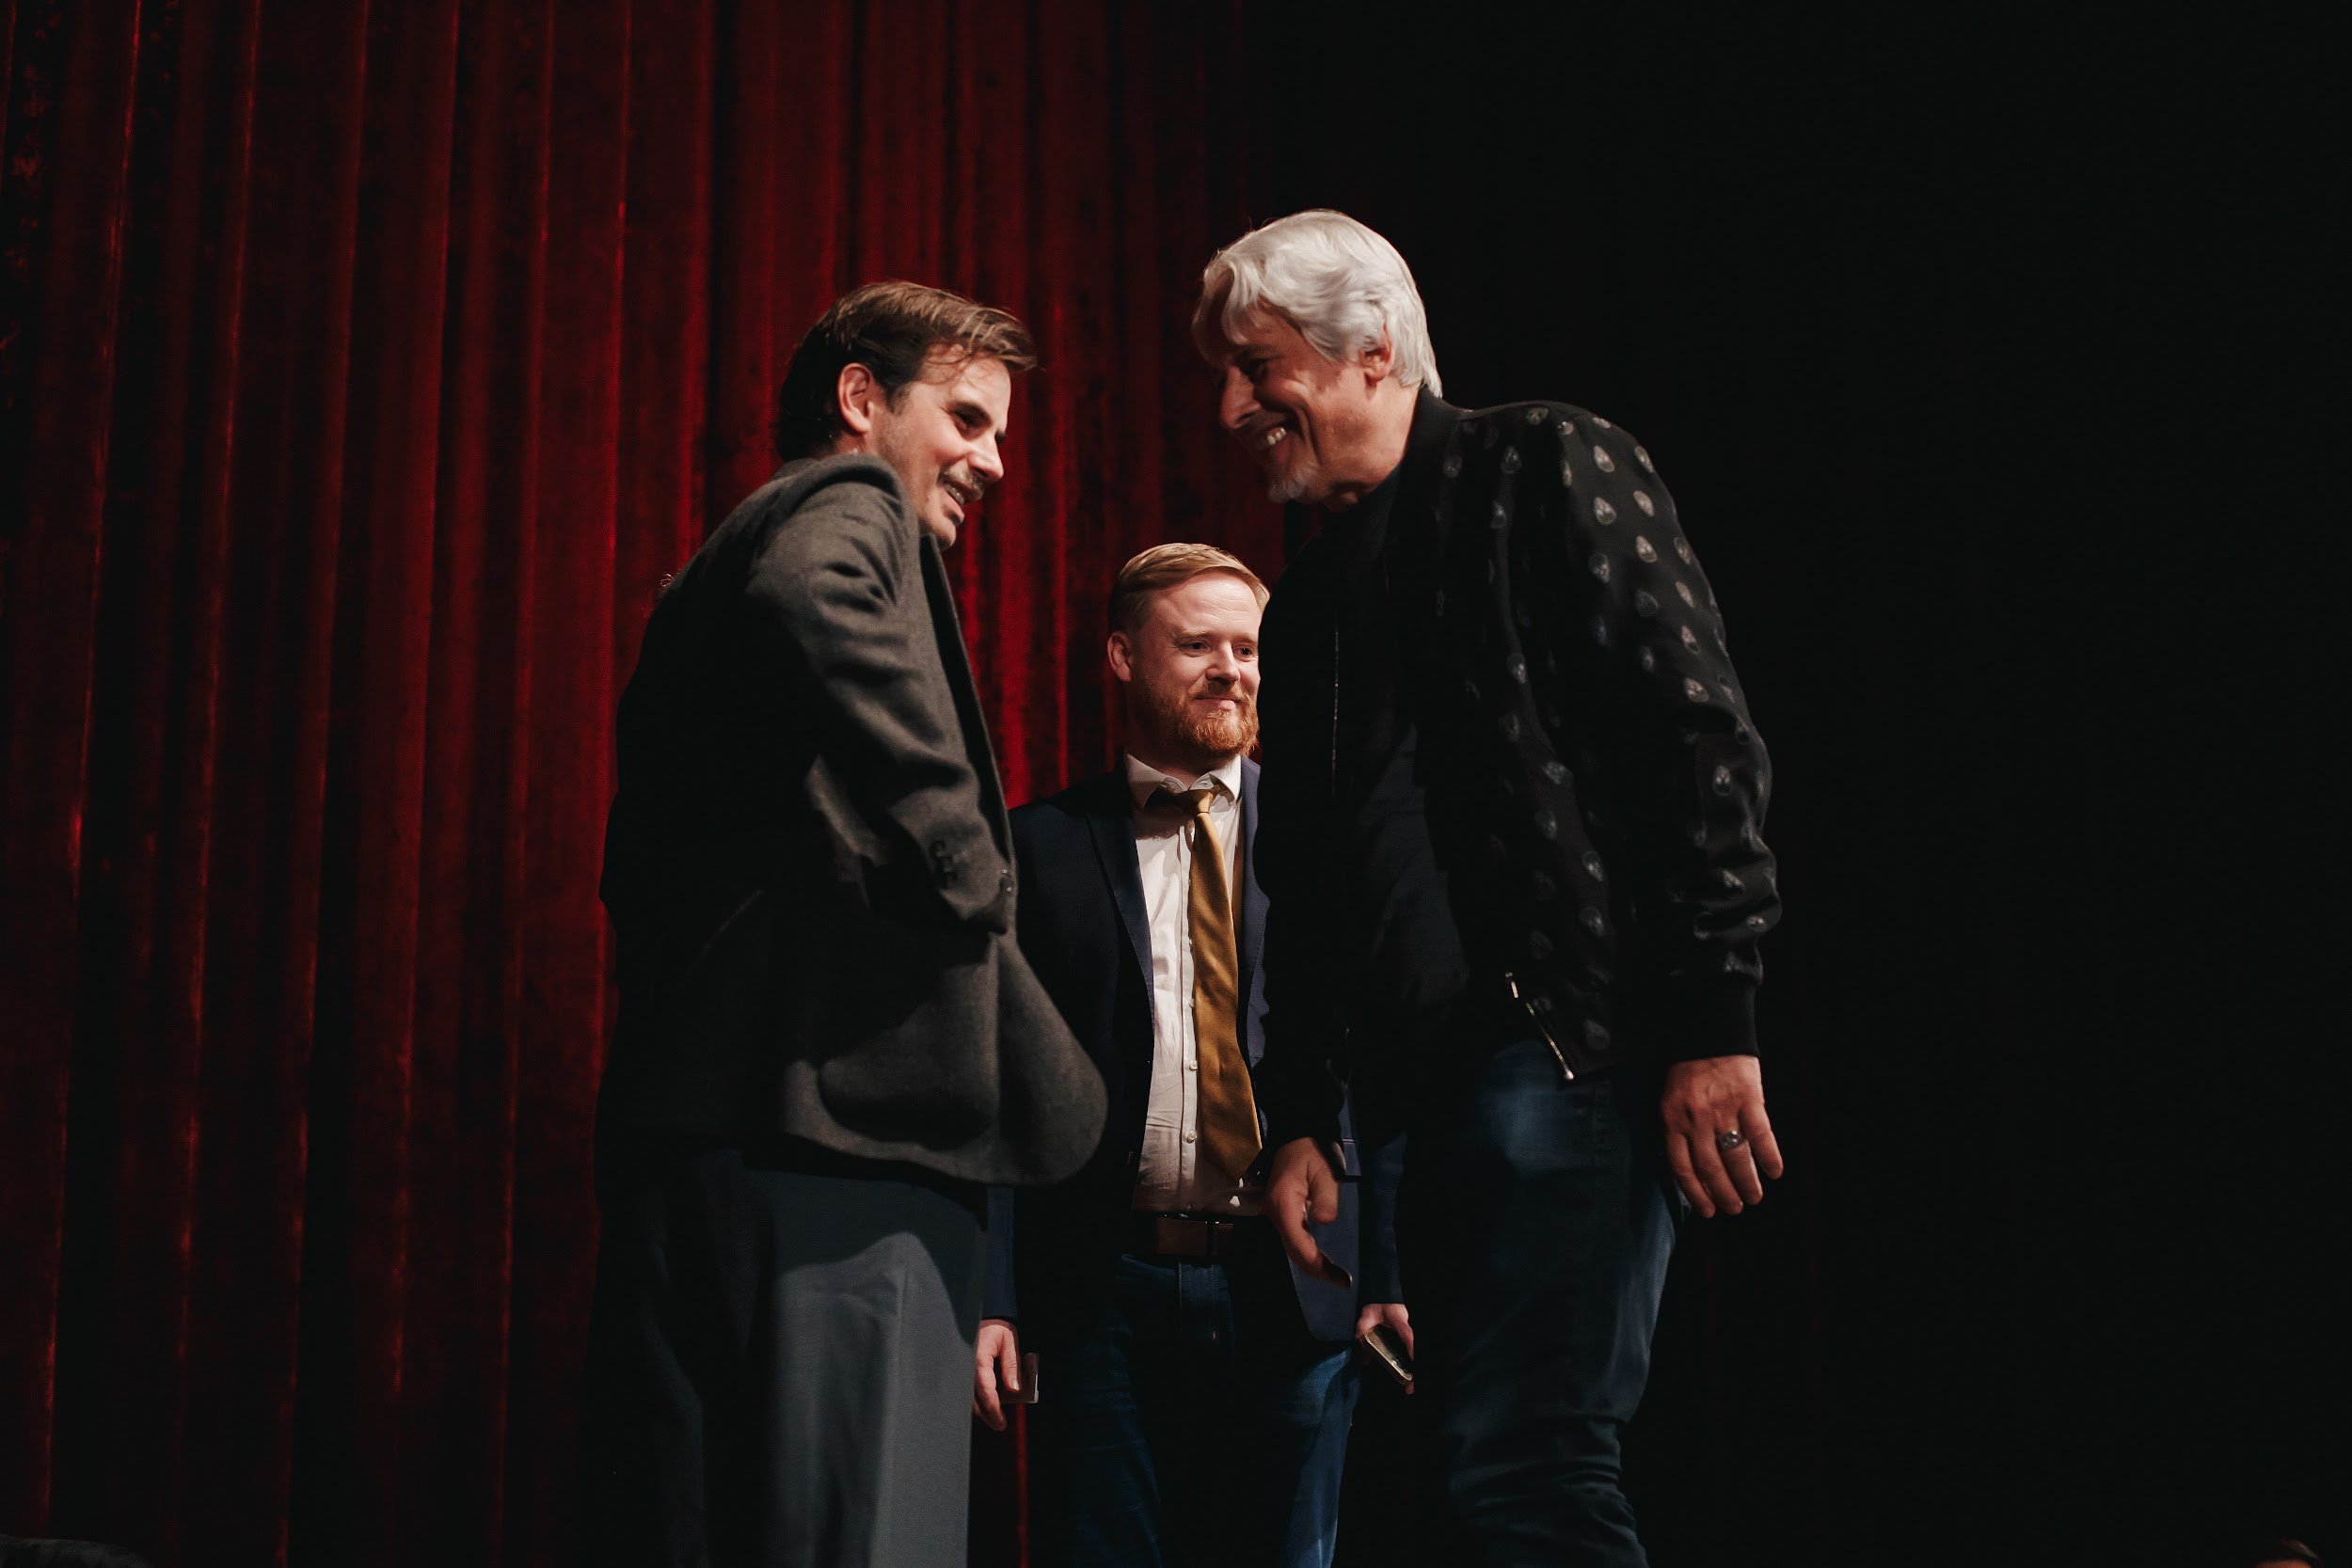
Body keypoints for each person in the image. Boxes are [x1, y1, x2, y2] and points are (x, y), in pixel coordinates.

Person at [1193, 210, 1786, 1565]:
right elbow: (1305, 883)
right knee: (1481, 1477)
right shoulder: (1308, 603)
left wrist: (1713, 1018)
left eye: (1256, 365)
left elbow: (1695, 739)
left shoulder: (1545, 461)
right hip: (1420, 1101)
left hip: (1567, 1053)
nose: (1230, 406)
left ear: (1371, 350)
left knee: (1524, 1460)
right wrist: (1301, 1114)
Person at [583, 281, 1106, 1568]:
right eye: (968, 419)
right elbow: (814, 592)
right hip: (845, 1155)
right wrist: (965, 860)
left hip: (697, 1141)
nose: (992, 462)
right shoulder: (845, 502)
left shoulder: (703, 575)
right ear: (861, 399)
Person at [972, 544, 1403, 1567]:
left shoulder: (1327, 837)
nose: (1231, 670)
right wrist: (994, 1292)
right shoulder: (1037, 847)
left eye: (1247, 649)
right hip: (1101, 1292)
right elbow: (997, 1092)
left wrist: (1388, 1264)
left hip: (1294, 1283)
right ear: (1123, 656)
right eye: (1199, 645)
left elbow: (1383, 1062)